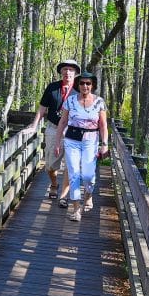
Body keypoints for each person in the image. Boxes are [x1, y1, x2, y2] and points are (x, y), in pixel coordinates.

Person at [54, 71, 108, 222]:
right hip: (72, 140)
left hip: (91, 141)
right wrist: (58, 142)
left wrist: (105, 145)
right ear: (78, 85)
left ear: (93, 85)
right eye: (82, 83)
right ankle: (76, 208)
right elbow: (63, 122)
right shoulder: (70, 101)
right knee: (74, 174)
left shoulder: (99, 102)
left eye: (88, 83)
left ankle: (89, 195)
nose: (85, 86)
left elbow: (103, 125)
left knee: (88, 175)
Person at [29, 59, 80, 205]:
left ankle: (63, 196)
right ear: (61, 72)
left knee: (71, 165)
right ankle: (54, 183)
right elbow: (42, 109)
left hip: (72, 130)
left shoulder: (79, 89)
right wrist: (34, 126)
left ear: (75, 73)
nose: (67, 72)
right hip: (53, 128)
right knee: (50, 165)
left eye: (71, 70)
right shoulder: (52, 87)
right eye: (65, 69)